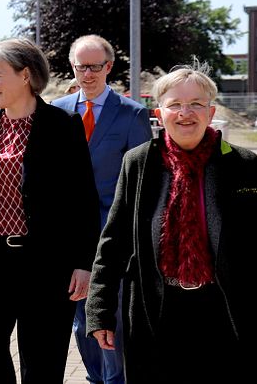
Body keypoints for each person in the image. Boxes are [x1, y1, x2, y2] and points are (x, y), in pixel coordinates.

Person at [85, 61, 257, 383]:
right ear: (159, 113)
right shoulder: (138, 162)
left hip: (224, 312)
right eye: (174, 104)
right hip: (157, 312)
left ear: (211, 111)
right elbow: (113, 243)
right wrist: (100, 310)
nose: (185, 113)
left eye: (195, 104)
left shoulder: (245, 165)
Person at [0, 38, 100, 383]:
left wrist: (83, 263)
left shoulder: (62, 125)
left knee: (42, 365)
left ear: (25, 75)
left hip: (45, 267)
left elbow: (83, 200)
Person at [52, 34, 152, 384]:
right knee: (80, 322)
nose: (88, 74)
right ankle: (97, 378)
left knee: (108, 321)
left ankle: (113, 380)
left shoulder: (132, 114)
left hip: (114, 238)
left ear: (108, 67)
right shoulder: (57, 111)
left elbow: (142, 181)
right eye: (81, 67)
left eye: (95, 66)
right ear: (73, 67)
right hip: (67, 241)